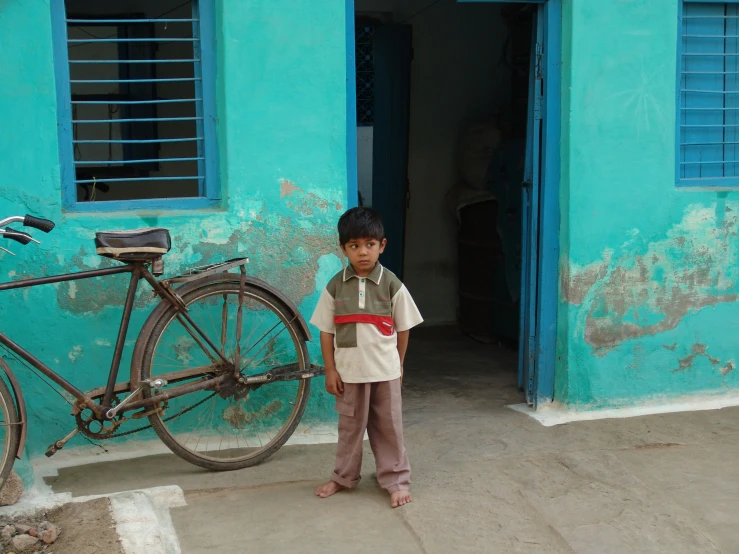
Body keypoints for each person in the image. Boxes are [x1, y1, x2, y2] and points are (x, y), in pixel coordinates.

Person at [310, 207, 423, 508]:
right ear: (343, 248)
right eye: (354, 246)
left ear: (381, 245)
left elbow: (404, 328)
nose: (363, 253)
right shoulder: (335, 286)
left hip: (385, 372)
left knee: (389, 428)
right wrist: (330, 370)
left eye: (370, 245)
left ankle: (396, 481)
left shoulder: (391, 284)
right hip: (349, 375)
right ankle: (343, 478)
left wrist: (398, 365)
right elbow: (325, 331)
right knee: (349, 430)